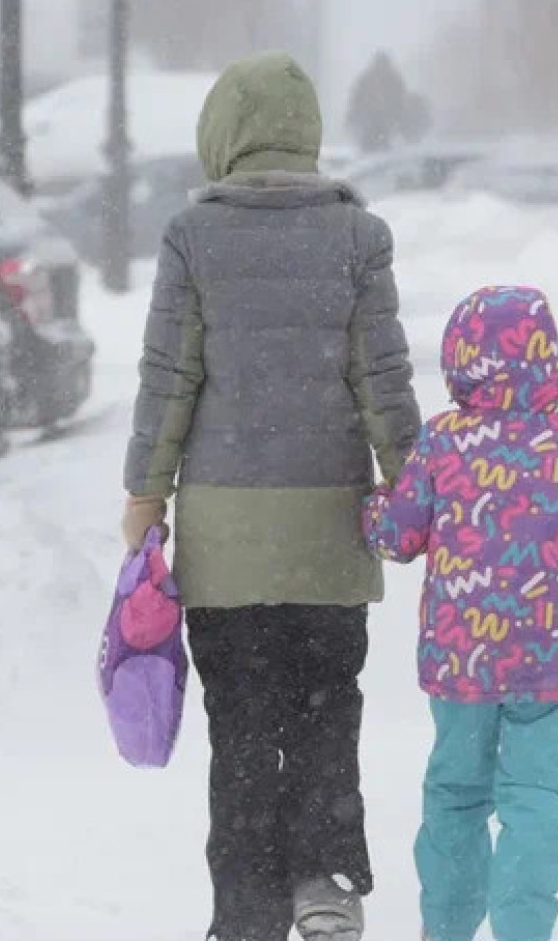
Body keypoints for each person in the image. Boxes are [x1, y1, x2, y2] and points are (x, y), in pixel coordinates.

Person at [122, 50, 421, 941]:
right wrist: (415, 487)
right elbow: (385, 380)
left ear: (223, 138)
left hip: (226, 540)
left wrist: (146, 497)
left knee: (243, 727)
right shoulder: (358, 238)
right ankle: (326, 880)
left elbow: (168, 379)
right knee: (328, 708)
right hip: (331, 533)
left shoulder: (192, 236)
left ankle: (245, 910)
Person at [362, 284, 558, 941]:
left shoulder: (443, 444)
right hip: (547, 660)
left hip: (458, 658)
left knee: (456, 795)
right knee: (534, 800)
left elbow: (398, 538)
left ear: (461, 362)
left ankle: (445, 928)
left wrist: (370, 507)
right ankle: (524, 927)